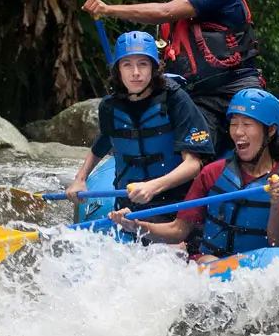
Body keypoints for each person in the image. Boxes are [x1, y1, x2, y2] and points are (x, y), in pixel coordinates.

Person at [81, 0, 262, 155]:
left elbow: (165, 11)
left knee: (255, 138)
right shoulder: (171, 25)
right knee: (187, 146)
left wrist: (108, 9)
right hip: (197, 100)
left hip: (237, 89)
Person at [108, 89, 279, 263]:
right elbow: (179, 230)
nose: (238, 132)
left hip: (256, 275)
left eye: (247, 125)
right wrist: (135, 226)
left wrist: (276, 205)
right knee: (202, 259)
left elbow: (277, 242)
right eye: (234, 124)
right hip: (211, 266)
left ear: (271, 130)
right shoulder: (213, 173)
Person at [65, 31, 215, 226]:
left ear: (154, 68)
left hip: (174, 203)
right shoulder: (110, 106)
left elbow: (193, 164)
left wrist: (153, 187)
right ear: (118, 70)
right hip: (129, 203)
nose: (135, 72)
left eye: (143, 64)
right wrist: (80, 179)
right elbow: (101, 144)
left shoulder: (174, 99)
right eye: (127, 64)